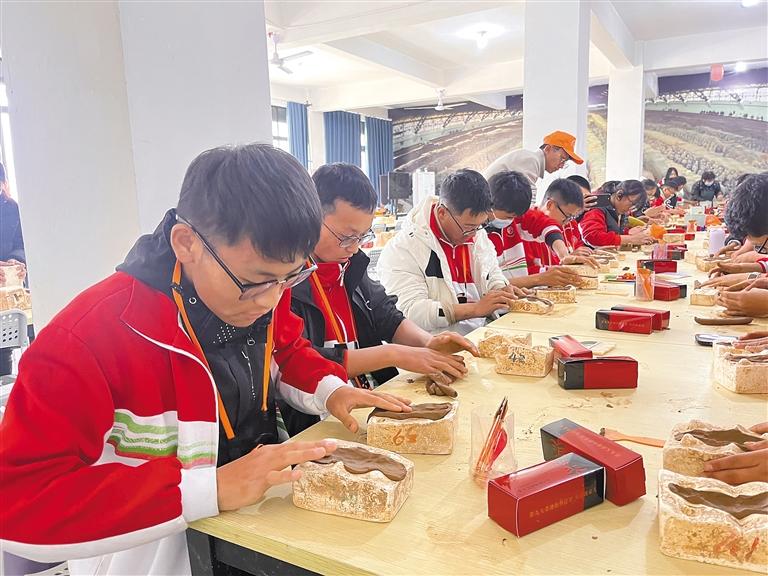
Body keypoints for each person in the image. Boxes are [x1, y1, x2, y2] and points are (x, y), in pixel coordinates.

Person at [0, 144, 412, 574]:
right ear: (186, 243)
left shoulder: (259, 290)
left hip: (254, 538)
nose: (271, 301)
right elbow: (17, 502)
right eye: (256, 282)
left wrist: (332, 391)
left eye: (290, 278)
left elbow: (286, 352)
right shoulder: (88, 339)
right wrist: (207, 489)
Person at [284, 163, 478, 435]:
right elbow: (301, 358)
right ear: (310, 218)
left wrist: (427, 342)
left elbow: (385, 314)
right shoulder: (286, 281)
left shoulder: (351, 266)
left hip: (366, 401)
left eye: (362, 237)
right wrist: (392, 354)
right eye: (346, 237)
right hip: (315, 417)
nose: (354, 248)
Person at [377, 169, 526, 335]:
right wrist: (474, 309)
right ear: (442, 213)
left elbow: (492, 272)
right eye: (468, 227)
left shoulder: (477, 235)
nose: (473, 234)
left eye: (480, 226)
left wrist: (500, 289)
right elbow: (410, 311)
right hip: (436, 344)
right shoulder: (403, 249)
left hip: (482, 334)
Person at [485, 173, 595, 287]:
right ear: (490, 205)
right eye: (509, 216)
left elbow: (544, 224)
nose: (512, 220)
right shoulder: (479, 237)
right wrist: (540, 279)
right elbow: (488, 286)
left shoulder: (516, 217)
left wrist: (564, 255)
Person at [483, 130, 584, 200]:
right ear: (548, 149)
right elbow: (526, 200)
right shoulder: (531, 160)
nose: (561, 166)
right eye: (562, 159)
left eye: (565, 162)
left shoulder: (531, 160)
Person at [0, 161, 28, 376]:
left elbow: (22, 243)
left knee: (4, 358)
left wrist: (16, 261)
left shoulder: (11, 208)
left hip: (6, 300)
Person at [579, 179, 653, 248]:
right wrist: (630, 239)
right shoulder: (597, 206)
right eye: (632, 203)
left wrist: (628, 233)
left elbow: (613, 232)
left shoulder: (617, 208)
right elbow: (592, 237)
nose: (630, 209)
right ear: (619, 195)